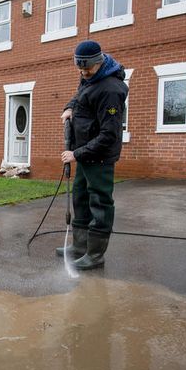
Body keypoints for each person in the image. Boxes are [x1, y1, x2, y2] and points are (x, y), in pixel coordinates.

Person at [57, 40, 128, 270]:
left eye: (87, 68)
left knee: (99, 202)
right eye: (80, 68)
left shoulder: (110, 90)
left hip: (99, 156)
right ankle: (79, 247)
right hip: (85, 155)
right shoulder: (89, 77)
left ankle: (95, 255)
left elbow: (108, 134)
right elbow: (80, 96)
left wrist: (76, 154)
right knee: (80, 197)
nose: (83, 72)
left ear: (99, 62)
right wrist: (69, 107)